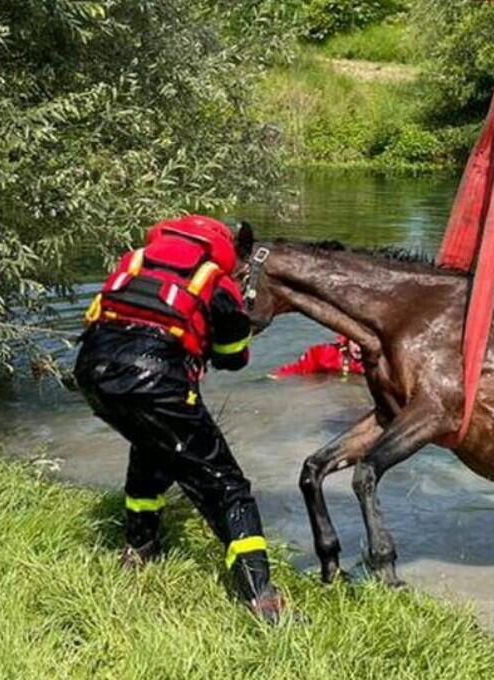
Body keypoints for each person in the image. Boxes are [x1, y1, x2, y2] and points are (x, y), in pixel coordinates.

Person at [74, 215, 284, 623]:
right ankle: (263, 599)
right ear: (219, 249)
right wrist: (230, 323)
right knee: (227, 486)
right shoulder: (216, 283)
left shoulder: (132, 262)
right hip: (155, 381)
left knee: (153, 446)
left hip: (92, 375)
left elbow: (99, 317)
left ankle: (140, 549)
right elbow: (233, 359)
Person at [272, 334, 365, 379]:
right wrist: (278, 375)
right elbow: (300, 368)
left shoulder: (377, 361)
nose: (359, 349)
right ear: (347, 341)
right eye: (355, 343)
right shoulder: (328, 354)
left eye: (363, 345)